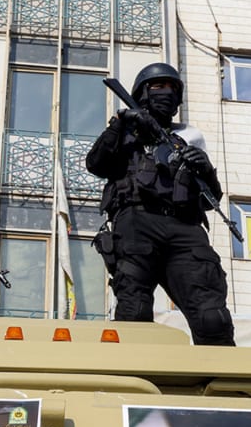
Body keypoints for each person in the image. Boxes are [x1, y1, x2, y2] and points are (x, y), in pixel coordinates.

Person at [85, 63, 235, 346]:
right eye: (157, 86)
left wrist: (206, 170)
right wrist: (122, 123)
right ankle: (132, 380)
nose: (165, 93)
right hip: (137, 224)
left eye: (171, 88)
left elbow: (208, 200)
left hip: (186, 229)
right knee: (134, 311)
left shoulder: (188, 137)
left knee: (212, 316)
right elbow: (96, 163)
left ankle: (227, 385)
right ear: (142, 93)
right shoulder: (124, 132)